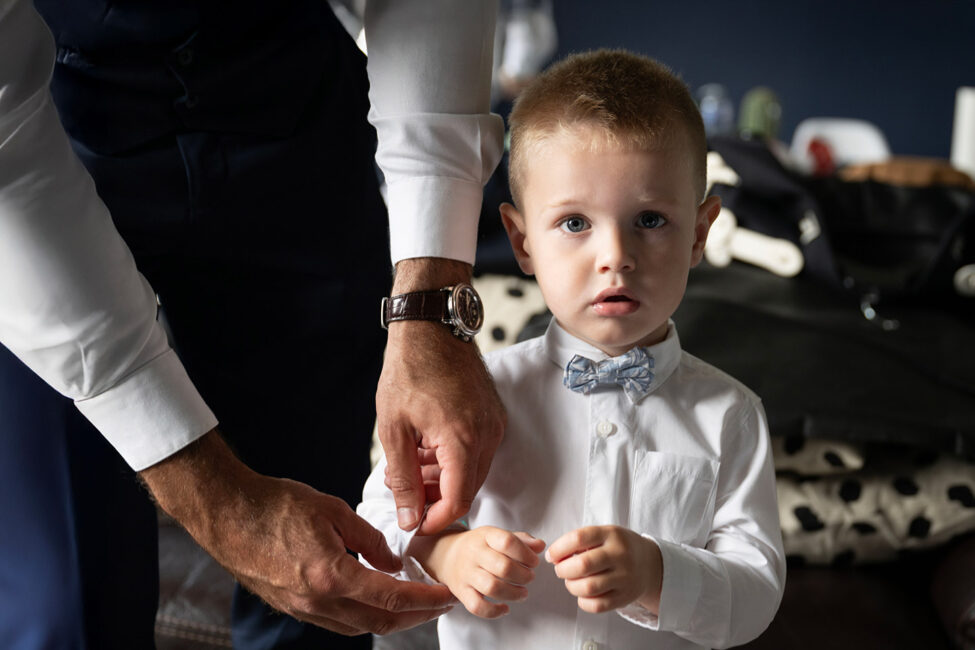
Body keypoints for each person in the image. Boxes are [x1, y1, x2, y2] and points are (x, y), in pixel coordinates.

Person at [0, 0, 505, 648]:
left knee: (328, 586)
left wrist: (432, 308)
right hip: (41, 137)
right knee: (62, 615)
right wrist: (222, 505)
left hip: (294, 116)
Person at [358, 49, 786, 649]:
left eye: (651, 220)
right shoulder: (473, 396)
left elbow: (758, 593)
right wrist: (447, 553)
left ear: (699, 233)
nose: (616, 255)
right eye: (576, 223)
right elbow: (376, 528)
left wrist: (659, 574)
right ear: (522, 242)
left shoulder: (732, 416)